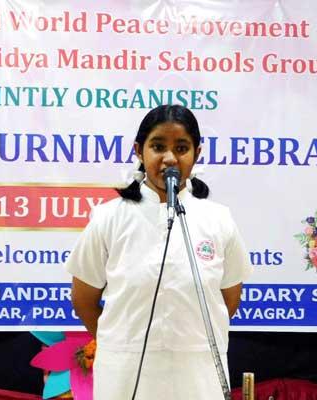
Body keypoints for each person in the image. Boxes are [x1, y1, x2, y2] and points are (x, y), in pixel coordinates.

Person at [65, 104, 250, 399]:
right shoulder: (109, 218)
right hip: (124, 370)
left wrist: (188, 340)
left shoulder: (218, 219)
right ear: (139, 151)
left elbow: (228, 298)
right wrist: (121, 343)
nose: (170, 158)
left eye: (181, 148)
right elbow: (83, 298)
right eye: (158, 146)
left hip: (198, 370)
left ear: (197, 154)